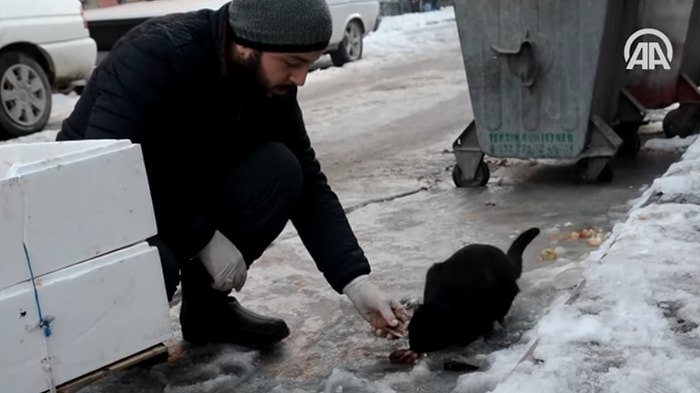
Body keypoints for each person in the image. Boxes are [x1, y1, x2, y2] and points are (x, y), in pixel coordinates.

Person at [56, 0, 410, 348]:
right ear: (244, 45)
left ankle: (207, 313)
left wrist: (356, 281)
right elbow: (106, 173)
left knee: (282, 170)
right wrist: (202, 238)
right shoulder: (155, 54)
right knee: (152, 268)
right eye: (292, 63)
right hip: (95, 206)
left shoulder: (267, 79)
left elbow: (310, 184)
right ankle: (113, 340)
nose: (300, 78)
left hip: (177, 186)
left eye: (308, 63)